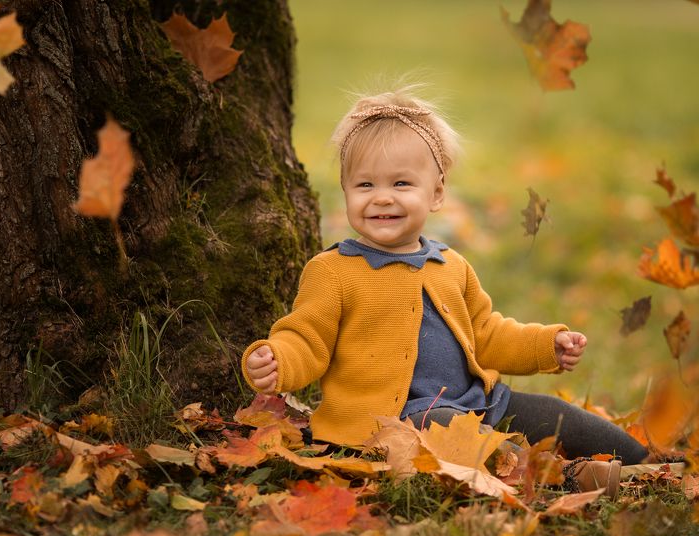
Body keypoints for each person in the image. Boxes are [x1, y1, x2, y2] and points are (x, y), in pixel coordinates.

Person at [241, 87, 648, 494]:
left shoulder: (450, 265)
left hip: (480, 402)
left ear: (436, 193)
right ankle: (563, 477)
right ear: (345, 190)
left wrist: (546, 344)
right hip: (399, 421)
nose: (382, 197)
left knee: (556, 414)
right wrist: (279, 360)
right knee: (468, 442)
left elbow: (487, 334)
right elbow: (307, 338)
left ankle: (648, 462)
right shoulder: (332, 271)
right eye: (364, 185)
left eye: (401, 183)